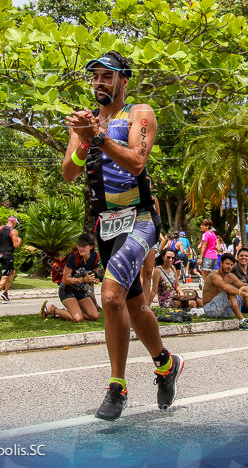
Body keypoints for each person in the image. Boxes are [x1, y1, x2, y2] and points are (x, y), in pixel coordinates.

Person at [61, 50, 183, 421]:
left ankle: (117, 386)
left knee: (110, 295)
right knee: (133, 305)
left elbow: (136, 161)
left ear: (123, 81)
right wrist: (84, 140)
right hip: (106, 223)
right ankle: (166, 364)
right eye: (95, 77)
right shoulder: (84, 122)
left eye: (107, 76)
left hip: (141, 219)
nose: (99, 83)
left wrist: (98, 137)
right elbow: (69, 172)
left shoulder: (138, 114)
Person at [41, 235, 101, 323]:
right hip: (67, 290)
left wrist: (94, 280)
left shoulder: (95, 257)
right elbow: (65, 280)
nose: (81, 248)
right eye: (79, 246)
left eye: (84, 246)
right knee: (78, 319)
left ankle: (69, 313)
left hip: (80, 290)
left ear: (91, 247)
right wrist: (83, 279)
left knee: (94, 316)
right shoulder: (73, 257)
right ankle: (54, 309)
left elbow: (95, 274)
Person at [202, 253, 248, 329]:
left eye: (232, 265)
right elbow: (226, 287)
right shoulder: (214, 276)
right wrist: (243, 294)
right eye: (227, 264)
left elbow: (242, 285)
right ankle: (241, 321)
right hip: (211, 310)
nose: (229, 267)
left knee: (246, 288)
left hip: (225, 311)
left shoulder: (230, 276)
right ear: (221, 263)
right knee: (230, 290)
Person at [0, 215, 21, 304]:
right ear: (13, 222)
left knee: (12, 272)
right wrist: (19, 241)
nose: (15, 225)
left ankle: (5, 293)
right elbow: (16, 246)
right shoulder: (13, 231)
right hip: (8, 256)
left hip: (0, 254)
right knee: (5, 275)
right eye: (15, 223)